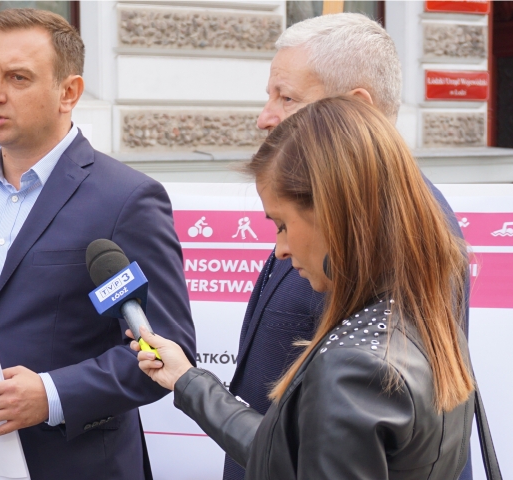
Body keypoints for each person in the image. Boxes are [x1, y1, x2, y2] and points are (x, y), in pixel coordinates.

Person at [0, 9, 196, 479]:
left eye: (18, 78)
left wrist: (52, 394)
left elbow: (166, 349)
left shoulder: (126, 199)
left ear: (69, 92)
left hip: (81, 466)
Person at [134, 96, 476, 479]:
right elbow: (294, 457)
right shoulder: (426, 317)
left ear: (334, 214)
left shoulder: (353, 368)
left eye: (281, 225)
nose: (280, 249)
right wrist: (187, 380)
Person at [230, 13, 469, 480]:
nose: (265, 117)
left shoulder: (395, 231)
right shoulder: (330, 212)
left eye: (287, 98)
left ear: (355, 108)